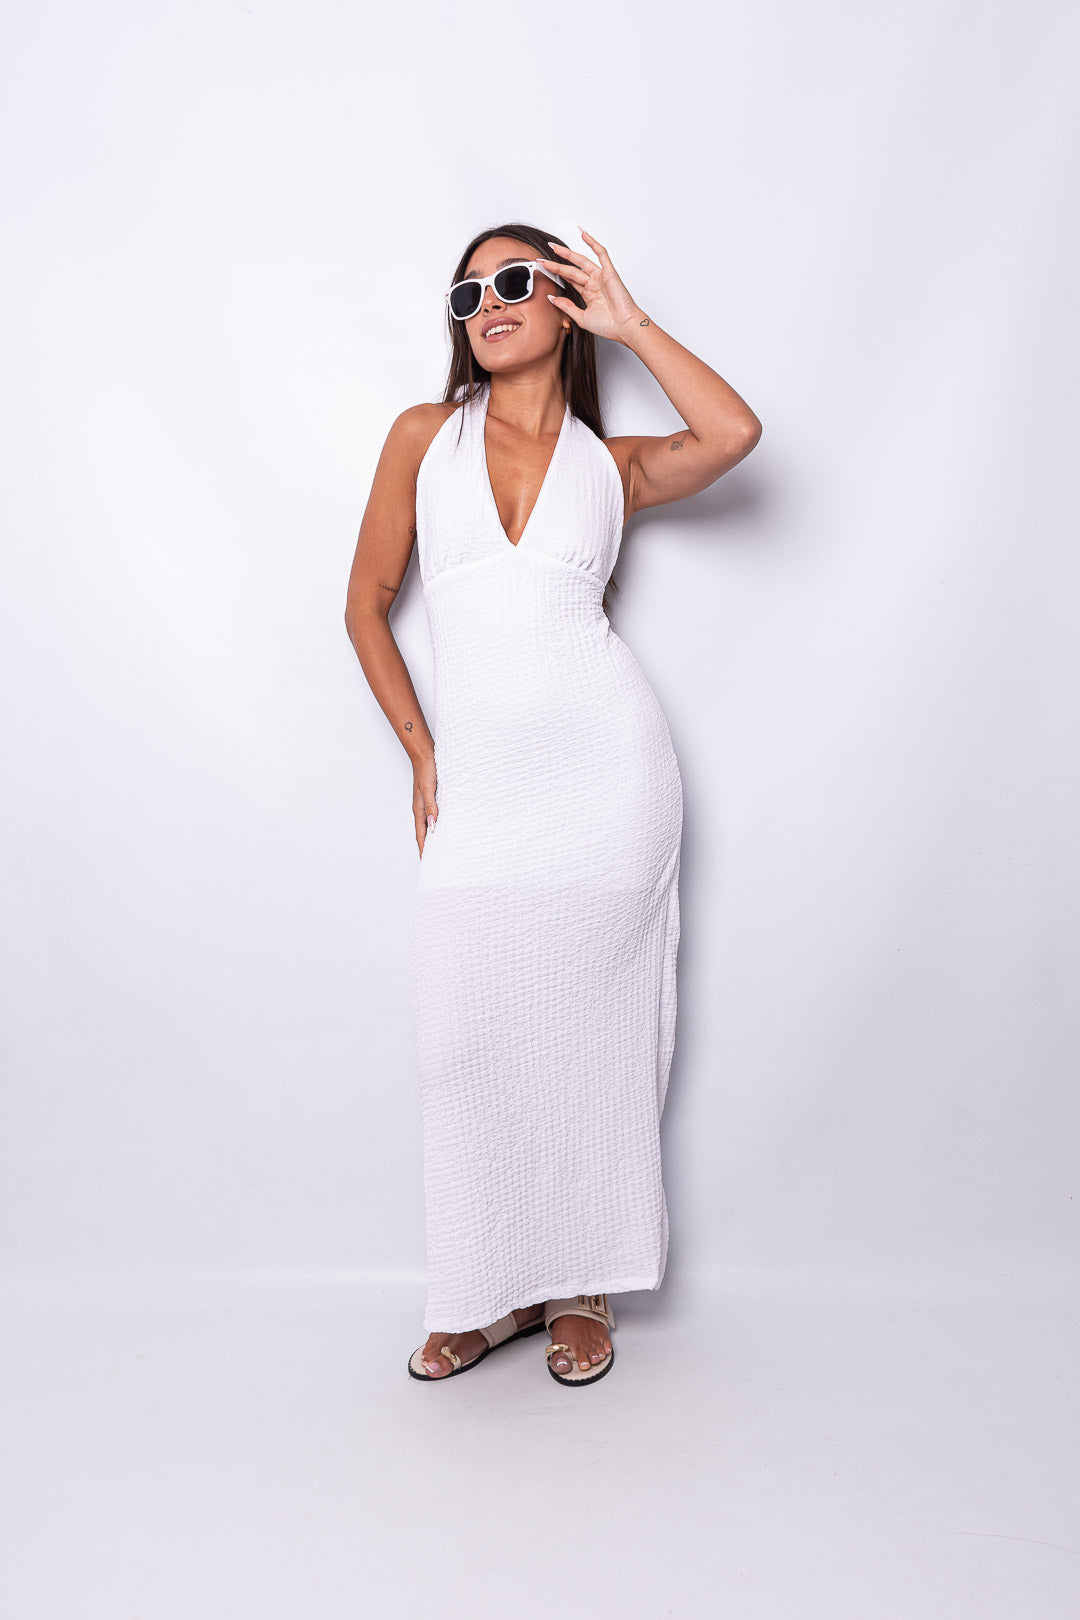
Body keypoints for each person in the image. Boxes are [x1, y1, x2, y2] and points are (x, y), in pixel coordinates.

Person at [345, 222, 761, 1386]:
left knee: (595, 1037)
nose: (488, 303)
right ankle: (483, 1290)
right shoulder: (423, 438)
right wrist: (421, 752)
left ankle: (580, 1286)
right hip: (485, 785)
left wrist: (630, 324)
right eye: (468, 292)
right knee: (464, 1040)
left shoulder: (612, 467)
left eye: (515, 281)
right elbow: (366, 603)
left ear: (563, 301)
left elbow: (734, 435)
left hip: (609, 782)